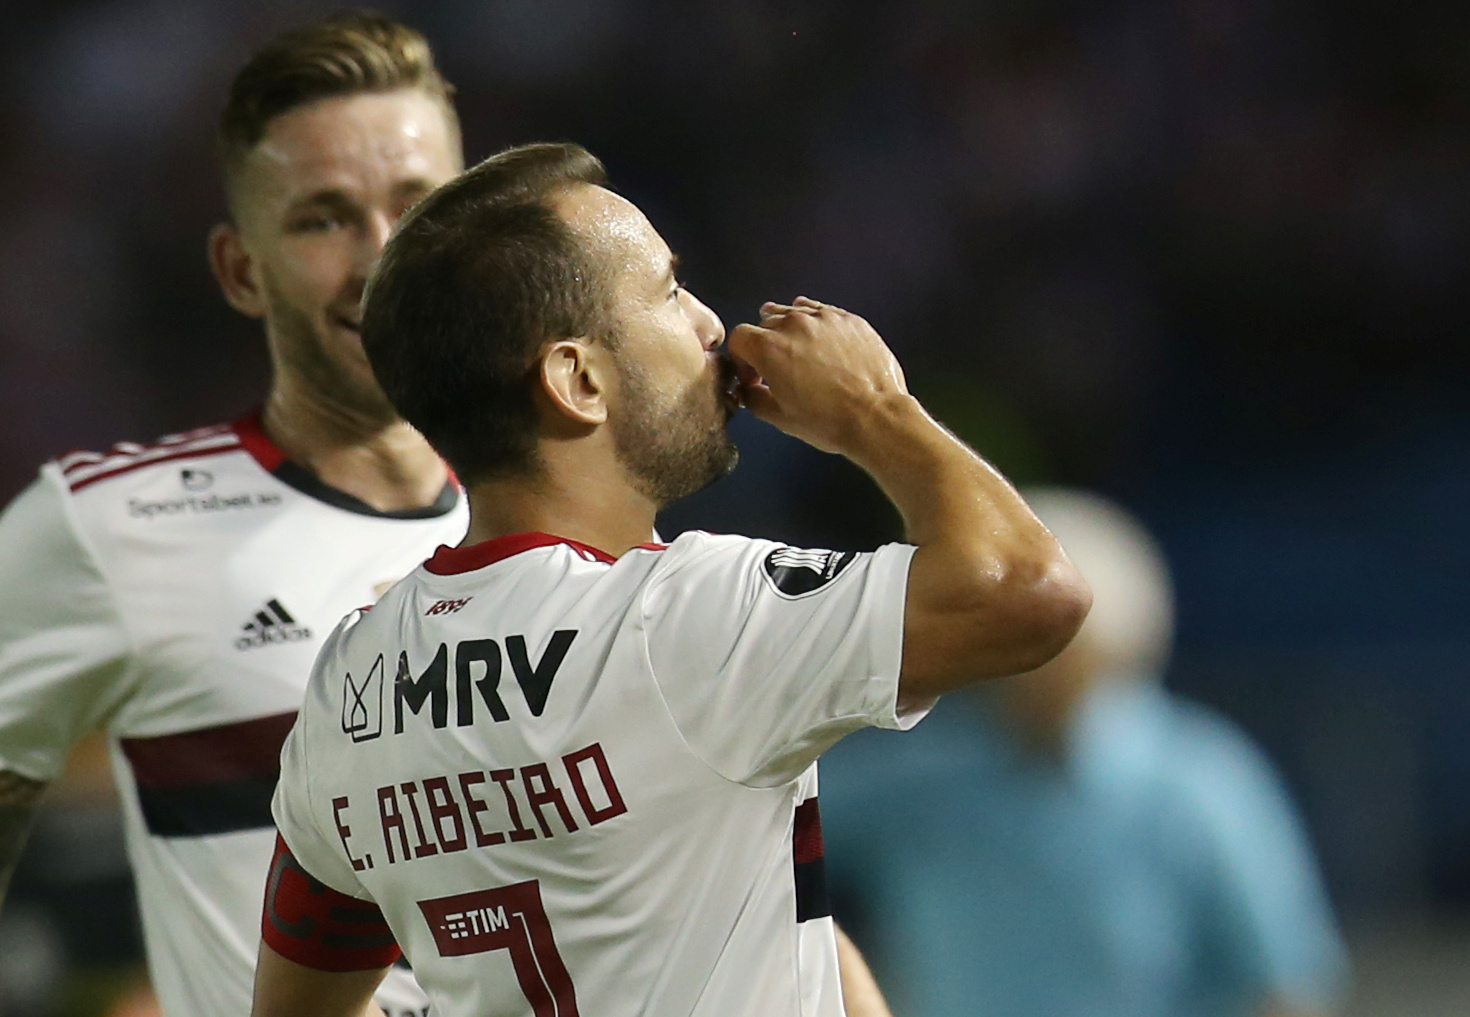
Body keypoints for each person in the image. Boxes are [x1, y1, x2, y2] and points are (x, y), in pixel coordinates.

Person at [249, 141, 1091, 1017]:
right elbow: (1029, 592)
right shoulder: (683, 621)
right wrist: (872, 409)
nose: (709, 325)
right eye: (666, 291)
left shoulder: (351, 683)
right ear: (577, 379)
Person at [0, 14, 470, 1017]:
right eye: (323, 218)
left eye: (417, 205)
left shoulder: (589, 507)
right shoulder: (112, 529)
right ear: (239, 269)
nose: (381, 256)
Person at [819, 488, 1350, 1017]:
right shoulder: (926, 775)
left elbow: (1288, 984)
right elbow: (771, 816)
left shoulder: (1201, 784)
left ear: (1116, 644)